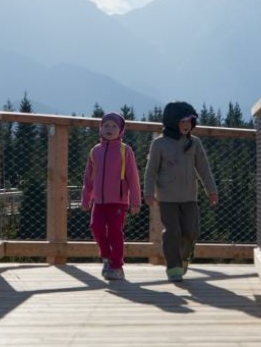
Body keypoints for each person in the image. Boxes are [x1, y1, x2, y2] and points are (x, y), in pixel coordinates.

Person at [144, 101, 218, 282]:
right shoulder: (159, 144)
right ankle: (173, 267)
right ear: (171, 121)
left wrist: (212, 190)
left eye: (189, 121)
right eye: (182, 121)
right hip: (167, 198)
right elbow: (151, 170)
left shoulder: (195, 143)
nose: (186, 125)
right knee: (172, 232)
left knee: (191, 231)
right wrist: (148, 192)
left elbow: (204, 169)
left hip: (189, 197)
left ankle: (184, 257)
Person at [81, 112, 141, 280]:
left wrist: (135, 201)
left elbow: (133, 178)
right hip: (99, 201)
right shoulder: (95, 151)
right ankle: (107, 257)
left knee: (115, 232)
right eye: (106, 125)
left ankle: (116, 266)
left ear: (121, 130)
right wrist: (86, 197)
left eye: (114, 126)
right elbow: (88, 178)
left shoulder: (125, 150)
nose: (110, 129)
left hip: (118, 201)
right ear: (100, 128)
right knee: (96, 227)